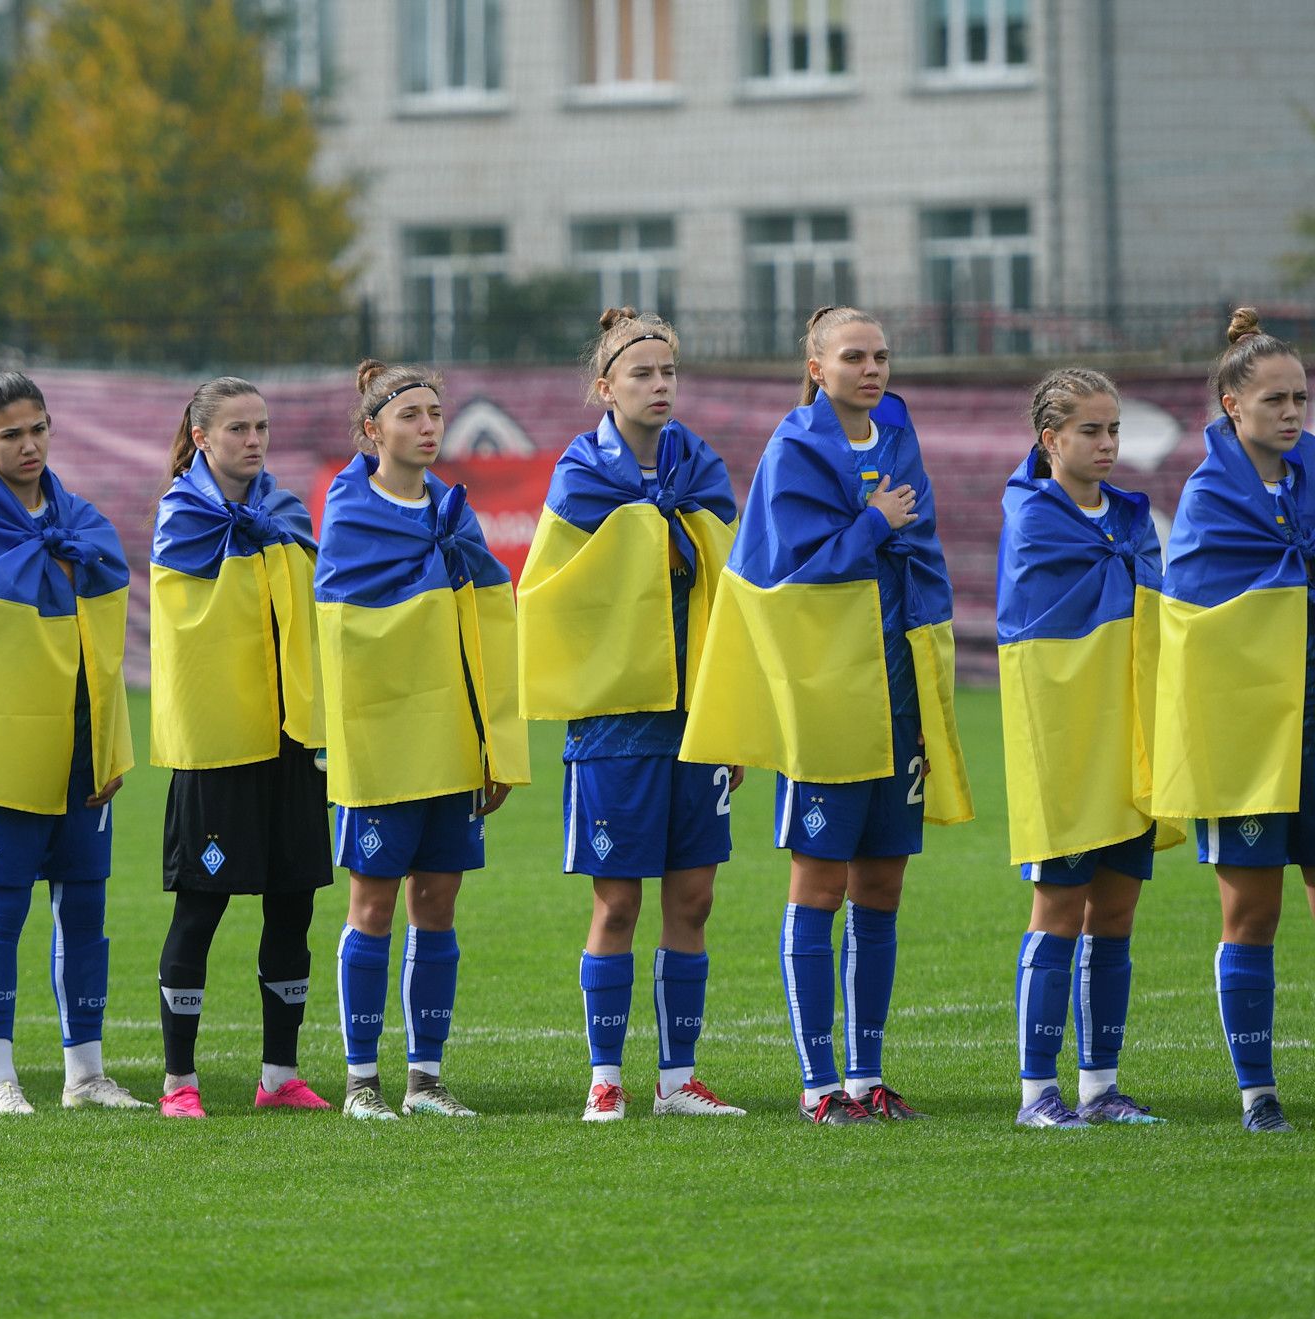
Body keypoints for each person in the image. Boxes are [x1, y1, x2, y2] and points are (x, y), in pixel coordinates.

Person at [681, 306, 973, 1125]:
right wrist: (874, 523)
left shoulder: (900, 439)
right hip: (827, 694)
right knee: (819, 883)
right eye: (853, 357)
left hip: (897, 693)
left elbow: (924, 560)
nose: (871, 369)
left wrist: (928, 693)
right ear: (817, 368)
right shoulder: (794, 449)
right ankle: (818, 1086)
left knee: (881, 884)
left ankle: (867, 1077)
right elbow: (787, 575)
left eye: (881, 356)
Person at [517, 310, 745, 1123]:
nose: (659, 386)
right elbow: (552, 594)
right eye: (642, 374)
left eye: (667, 373)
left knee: (694, 901)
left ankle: (678, 1080)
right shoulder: (581, 474)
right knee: (616, 904)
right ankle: (605, 1078)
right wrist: (649, 532)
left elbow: (732, 581)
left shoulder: (700, 467)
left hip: (697, 715)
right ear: (604, 388)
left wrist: (734, 712)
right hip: (616, 721)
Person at [0, 372, 146, 1114]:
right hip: (1, 749)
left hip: (78, 744)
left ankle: (86, 1075)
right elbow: (1, 592)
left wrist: (109, 741)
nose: (29, 445)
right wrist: (57, 567)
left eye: (38, 429)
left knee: (85, 912)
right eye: (11, 434)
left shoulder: (77, 514)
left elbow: (102, 600)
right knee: (1, 912)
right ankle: (0, 1077)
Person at [316, 359, 530, 1121]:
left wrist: (495, 742)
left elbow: (488, 629)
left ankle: (425, 1081)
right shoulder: (349, 513)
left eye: (435, 413)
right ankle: (360, 1083)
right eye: (410, 414)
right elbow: (343, 638)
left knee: (437, 903)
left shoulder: (454, 513)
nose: (428, 426)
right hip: (380, 743)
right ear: (372, 430)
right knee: (372, 906)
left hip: (452, 741)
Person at [149, 377, 332, 1118]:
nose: (254, 441)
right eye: (237, 429)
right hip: (218, 745)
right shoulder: (183, 516)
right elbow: (188, 631)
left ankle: (279, 1076)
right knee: (200, 912)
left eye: (261, 427)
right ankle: (178, 1082)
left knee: (293, 909)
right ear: (201, 437)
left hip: (289, 740)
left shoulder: (283, 511)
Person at [997, 369, 1175, 1128]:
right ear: (1051, 439)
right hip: (1066, 740)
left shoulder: (1132, 516)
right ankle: (1037, 1093)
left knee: (1118, 909)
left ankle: (1101, 1088)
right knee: (1058, 906)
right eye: (1090, 431)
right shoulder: (1034, 518)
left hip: (1127, 734)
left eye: (1114, 430)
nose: (1107, 444)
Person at [1153, 308, 1315, 1133]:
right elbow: (1193, 617)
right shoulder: (1210, 496)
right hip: (1248, 733)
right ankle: (1258, 1095)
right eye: (1275, 400)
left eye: (1301, 399)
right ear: (1231, 405)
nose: (1291, 413)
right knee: (1253, 914)